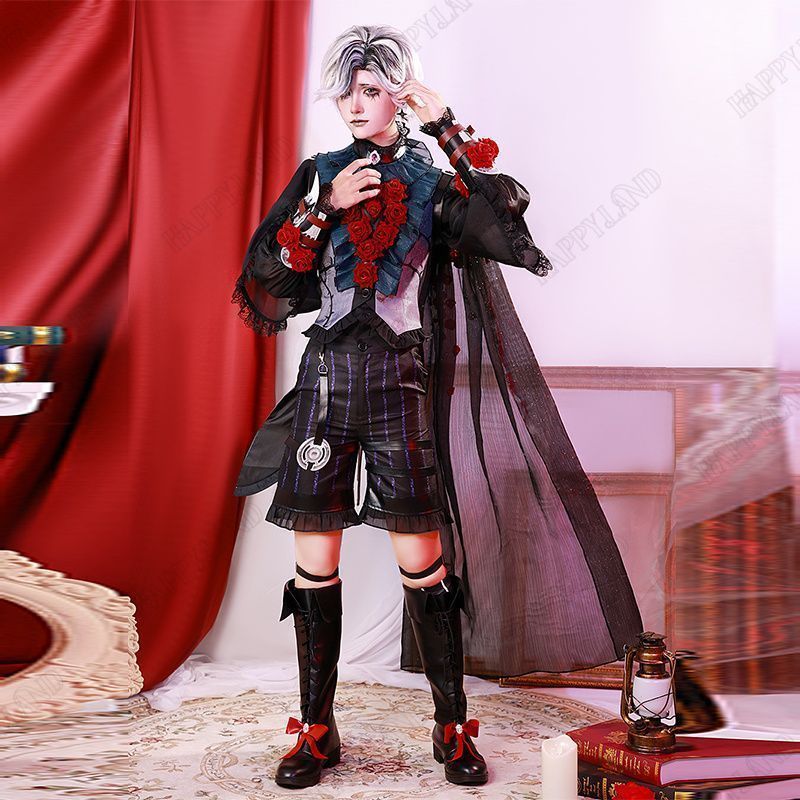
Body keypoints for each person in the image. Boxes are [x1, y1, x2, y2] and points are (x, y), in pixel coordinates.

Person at [232, 24, 643, 790]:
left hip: (399, 384)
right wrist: (323, 209)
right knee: (314, 562)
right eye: (345, 92)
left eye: (371, 90)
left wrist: (448, 129)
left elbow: (504, 222)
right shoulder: (321, 175)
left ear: (400, 95)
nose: (355, 105)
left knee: (422, 560)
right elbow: (271, 279)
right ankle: (316, 729)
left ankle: (451, 725)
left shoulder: (432, 185)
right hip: (326, 385)